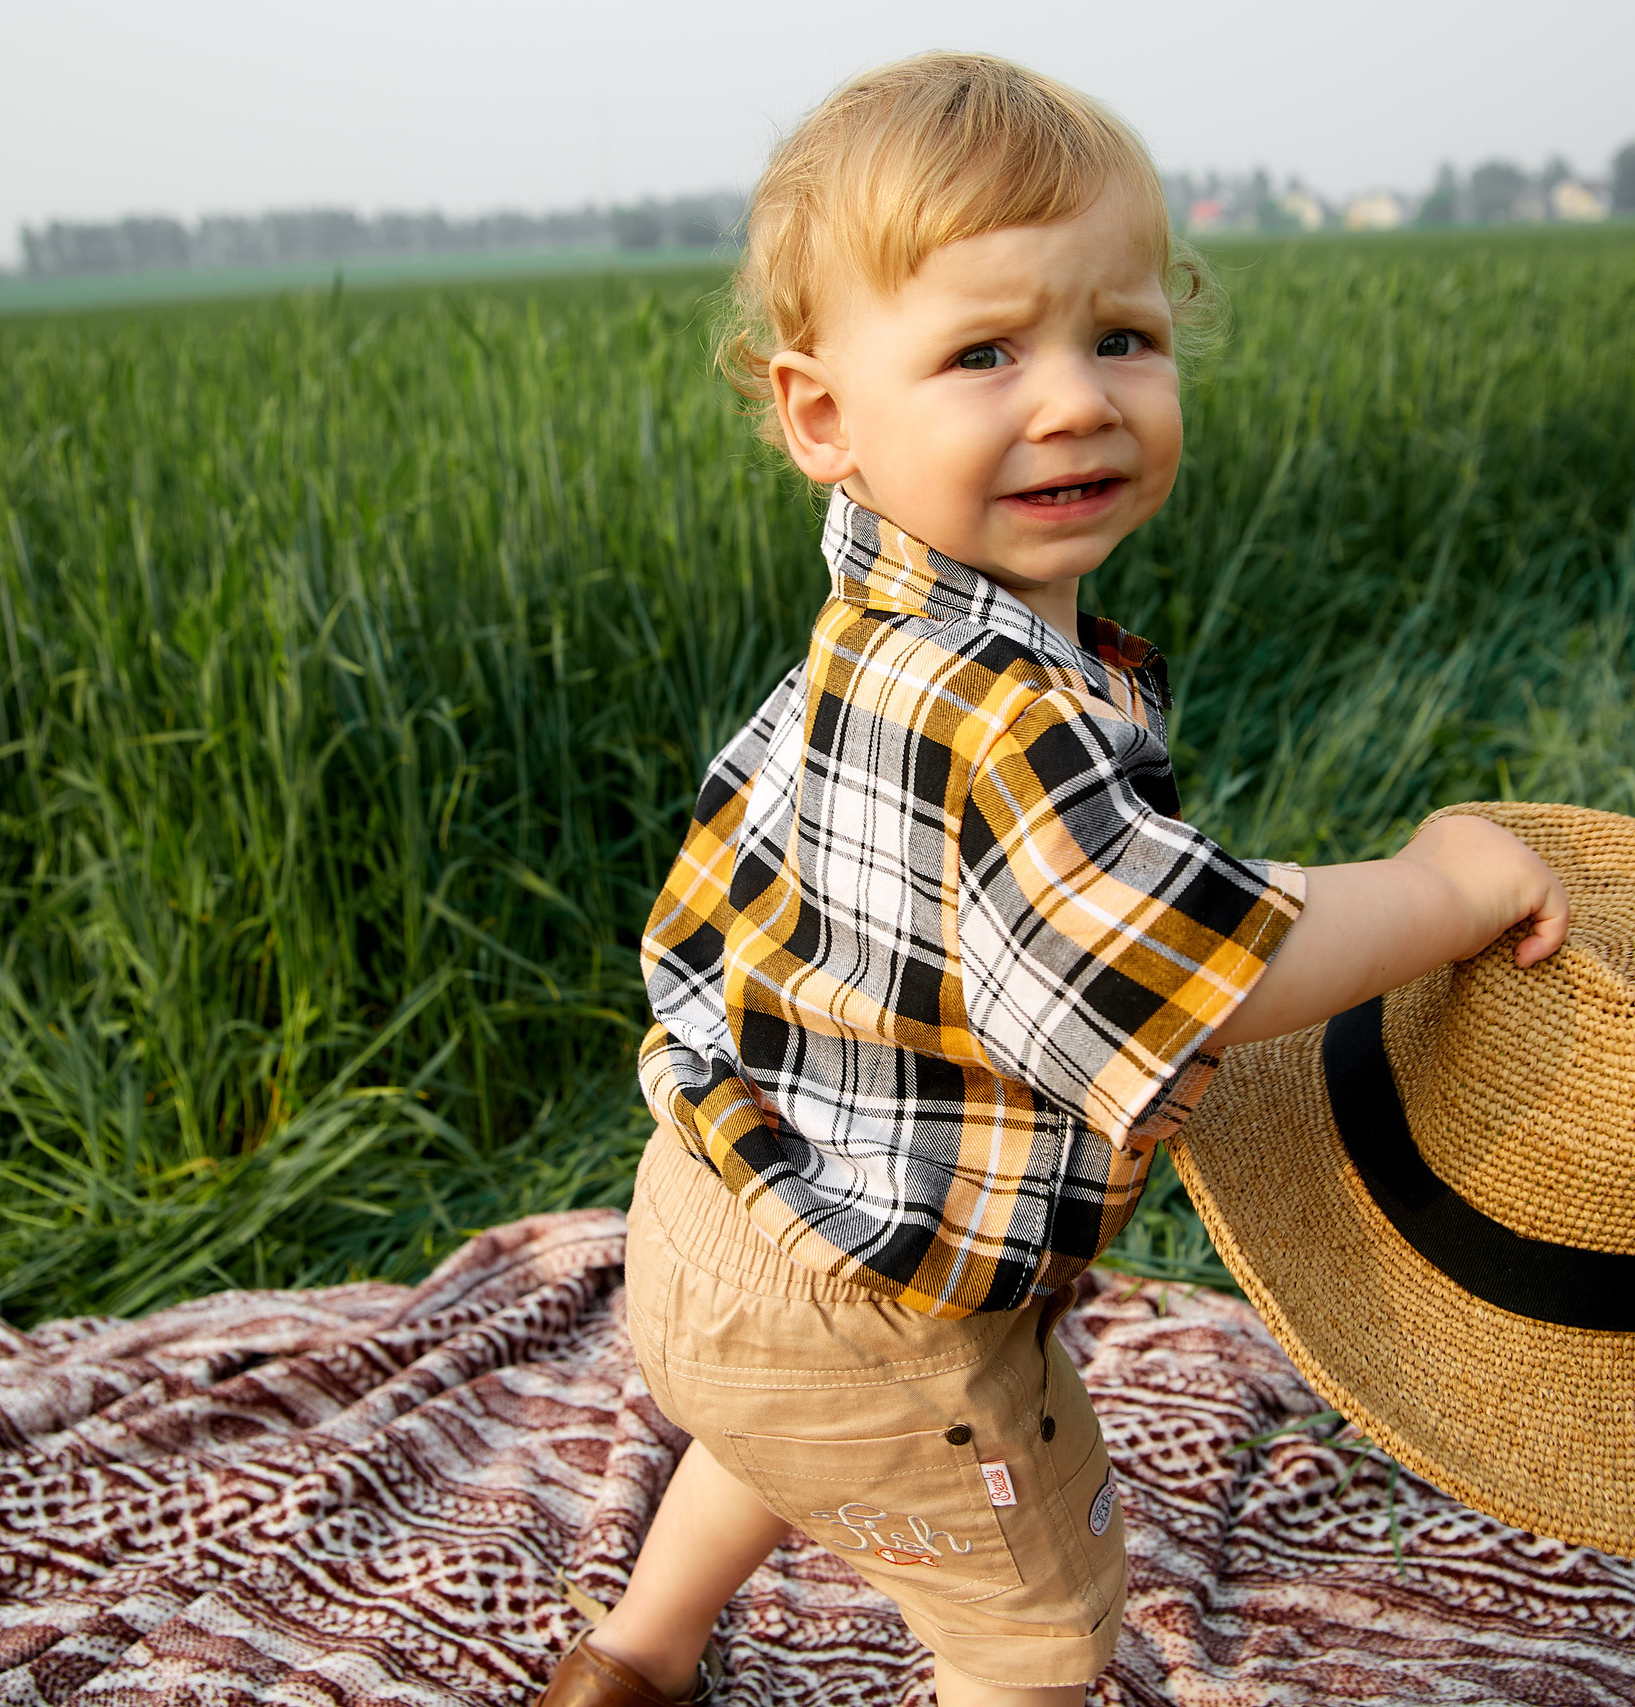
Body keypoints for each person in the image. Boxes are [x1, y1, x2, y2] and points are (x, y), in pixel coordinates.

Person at [539, 52, 1568, 1707]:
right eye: (983, 354)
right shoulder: (1007, 713)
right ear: (824, 415)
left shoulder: (881, 634)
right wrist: (1441, 887)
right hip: (889, 1303)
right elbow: (1199, 969)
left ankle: (636, 1659)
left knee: (772, 1438)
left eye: (1123, 338)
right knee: (1035, 1618)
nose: (1077, 398)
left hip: (715, 1207)